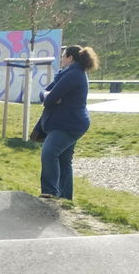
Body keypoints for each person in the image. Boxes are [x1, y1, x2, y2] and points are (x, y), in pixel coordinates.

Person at [37, 44, 99, 200]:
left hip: (68, 124)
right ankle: (65, 198)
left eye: (63, 56)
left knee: (49, 153)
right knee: (64, 159)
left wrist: (50, 97)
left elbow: (49, 99)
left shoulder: (73, 75)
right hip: (71, 122)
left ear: (70, 58)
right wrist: (49, 96)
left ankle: (50, 192)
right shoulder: (68, 73)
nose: (61, 60)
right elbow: (44, 93)